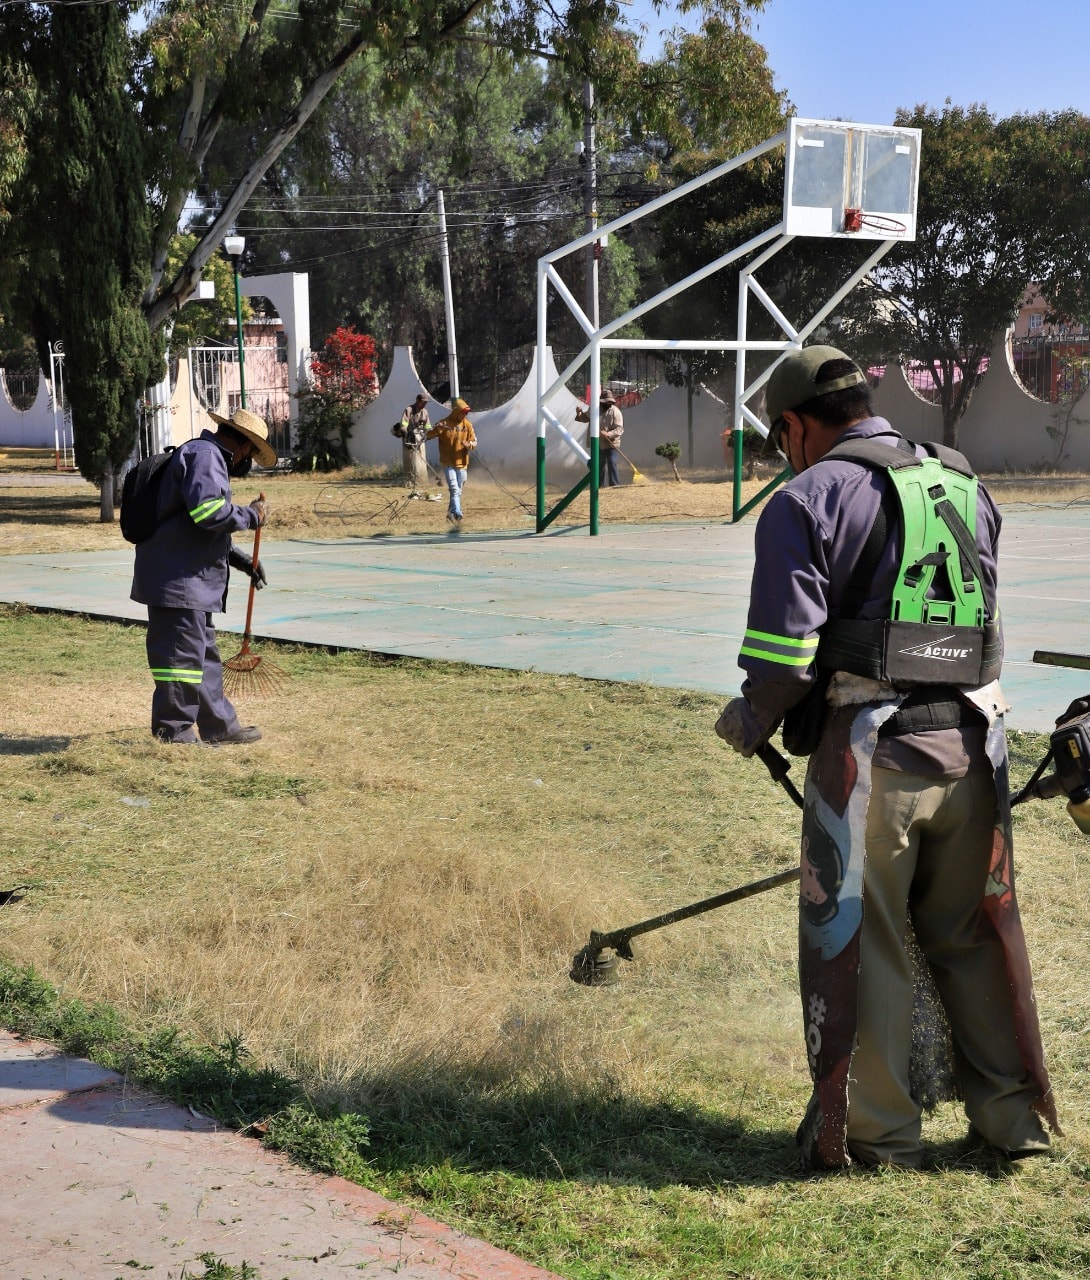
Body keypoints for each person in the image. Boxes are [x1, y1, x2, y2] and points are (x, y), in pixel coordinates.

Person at [714, 345, 1058, 1171]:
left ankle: (877, 1137)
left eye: (778, 437)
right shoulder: (963, 481)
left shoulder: (807, 497)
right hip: (977, 748)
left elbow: (786, 661)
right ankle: (1016, 1127)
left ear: (796, 425)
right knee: (978, 936)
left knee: (866, 946)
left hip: (876, 759)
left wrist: (749, 717)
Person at [130, 406, 276, 745]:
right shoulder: (206, 456)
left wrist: (240, 560)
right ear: (244, 446)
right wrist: (252, 515)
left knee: (204, 659)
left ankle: (221, 729)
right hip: (178, 581)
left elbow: (193, 524)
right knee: (180, 663)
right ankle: (174, 735)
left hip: (188, 581)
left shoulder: (205, 455)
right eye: (252, 452)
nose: (248, 460)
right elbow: (208, 513)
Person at [427, 397, 476, 523]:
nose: (464, 416)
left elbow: (474, 442)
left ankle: (450, 514)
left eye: (466, 414)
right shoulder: (444, 423)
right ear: (456, 412)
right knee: (454, 489)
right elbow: (429, 435)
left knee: (457, 492)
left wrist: (469, 445)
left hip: (463, 463)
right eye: (462, 413)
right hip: (448, 462)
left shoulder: (468, 425)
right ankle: (458, 514)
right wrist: (439, 428)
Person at [576, 388, 624, 486]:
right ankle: (599, 486)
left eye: (609, 402)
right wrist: (579, 414)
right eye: (605, 402)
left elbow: (619, 429)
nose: (607, 404)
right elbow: (585, 418)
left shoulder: (616, 412)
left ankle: (614, 485)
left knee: (612, 463)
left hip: (611, 443)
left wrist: (608, 434)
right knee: (599, 465)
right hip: (598, 443)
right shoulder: (594, 409)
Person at [395, 392, 431, 496]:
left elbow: (428, 425)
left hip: (420, 437)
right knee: (410, 459)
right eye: (423, 402)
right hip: (409, 436)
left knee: (421, 459)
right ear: (418, 401)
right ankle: (410, 481)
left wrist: (428, 433)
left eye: (426, 403)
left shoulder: (425, 412)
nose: (424, 405)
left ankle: (422, 480)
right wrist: (404, 431)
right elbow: (404, 423)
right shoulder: (409, 410)